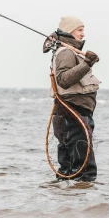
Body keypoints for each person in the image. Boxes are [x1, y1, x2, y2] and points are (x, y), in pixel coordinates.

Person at [43, 16, 100, 181]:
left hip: (69, 115)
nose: (83, 34)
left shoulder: (67, 50)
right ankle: (84, 204)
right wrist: (87, 63)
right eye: (80, 30)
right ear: (69, 31)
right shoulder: (66, 52)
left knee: (68, 170)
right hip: (73, 114)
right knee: (85, 172)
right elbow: (63, 80)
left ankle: (68, 203)